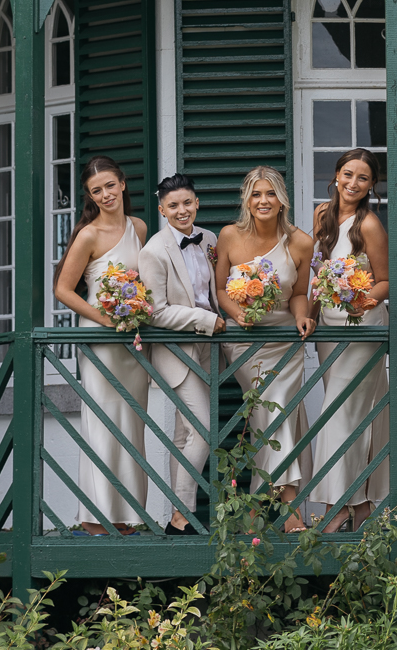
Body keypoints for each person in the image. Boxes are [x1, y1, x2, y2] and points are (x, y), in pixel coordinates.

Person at [216, 166, 315, 533]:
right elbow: (221, 291)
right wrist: (237, 312)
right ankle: (281, 510)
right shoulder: (229, 236)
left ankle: (264, 511)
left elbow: (301, 293)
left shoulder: (301, 243)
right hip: (246, 341)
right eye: (256, 194)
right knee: (270, 415)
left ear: (281, 199)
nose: (263, 201)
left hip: (285, 340)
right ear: (247, 199)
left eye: (270, 194)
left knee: (276, 417)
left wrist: (303, 318)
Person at [53, 155, 149, 536]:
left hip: (133, 343)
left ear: (123, 184)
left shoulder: (139, 227)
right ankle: (95, 517)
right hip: (102, 340)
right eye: (97, 190)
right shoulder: (89, 235)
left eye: (110, 185)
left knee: (131, 426)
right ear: (90, 197)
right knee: (102, 425)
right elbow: (62, 289)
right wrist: (105, 318)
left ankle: (124, 517)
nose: (106, 194)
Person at [138, 174, 226, 536]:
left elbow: (215, 289)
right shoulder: (153, 252)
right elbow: (155, 312)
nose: (182, 210)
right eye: (173, 205)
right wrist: (205, 320)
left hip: (209, 347)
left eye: (187, 202)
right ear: (162, 210)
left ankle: (179, 516)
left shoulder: (210, 240)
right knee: (204, 430)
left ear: (197, 202)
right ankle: (182, 514)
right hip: (176, 349)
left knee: (183, 433)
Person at [310, 149, 391, 533]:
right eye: (347, 174)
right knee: (356, 417)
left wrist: (358, 300)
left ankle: (336, 505)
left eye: (362, 178)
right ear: (336, 175)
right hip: (329, 328)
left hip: (362, 327)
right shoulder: (321, 216)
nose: (353, 183)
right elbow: (314, 268)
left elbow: (386, 281)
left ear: (371, 184)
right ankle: (362, 505)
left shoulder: (370, 225)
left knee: (338, 414)